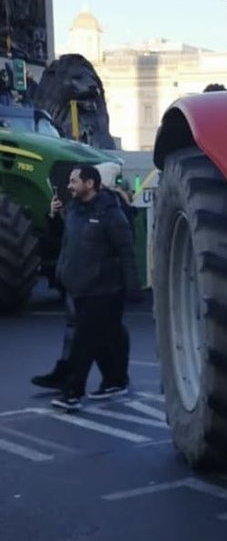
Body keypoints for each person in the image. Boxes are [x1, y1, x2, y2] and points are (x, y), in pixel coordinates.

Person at [48, 164, 139, 411]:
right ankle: (115, 381)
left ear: (90, 184)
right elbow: (66, 242)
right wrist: (54, 217)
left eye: (74, 181)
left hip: (103, 288)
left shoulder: (111, 213)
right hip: (78, 286)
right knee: (102, 338)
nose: (69, 186)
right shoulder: (74, 210)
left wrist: (133, 288)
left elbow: (127, 251)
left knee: (83, 341)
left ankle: (72, 393)